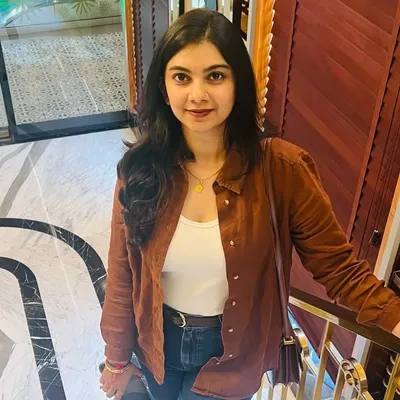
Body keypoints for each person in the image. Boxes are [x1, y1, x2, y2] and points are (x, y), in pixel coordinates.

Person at [99, 8, 400, 400]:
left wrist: (393, 318)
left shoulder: (282, 169)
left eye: (215, 76)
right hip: (156, 341)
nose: (198, 94)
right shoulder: (141, 169)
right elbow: (123, 272)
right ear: (163, 87)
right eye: (182, 77)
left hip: (231, 354)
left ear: (238, 83)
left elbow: (339, 270)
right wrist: (116, 357)